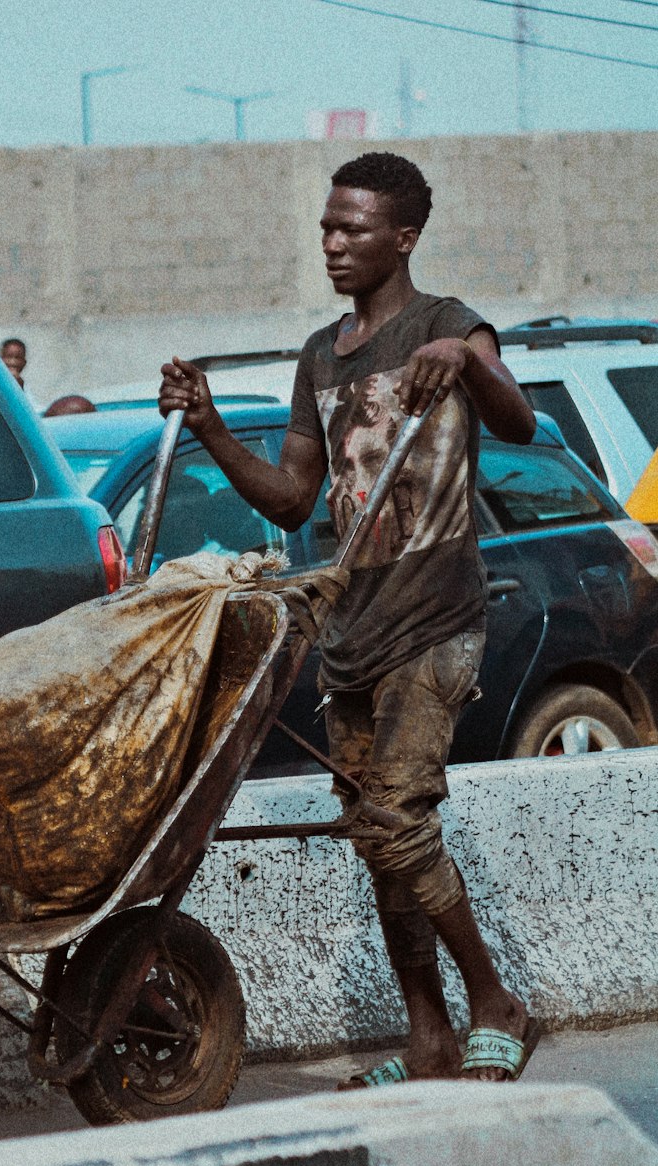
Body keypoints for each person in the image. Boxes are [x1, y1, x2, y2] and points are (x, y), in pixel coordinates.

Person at [159, 152, 539, 1086]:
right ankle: (429, 1039)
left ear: (402, 238)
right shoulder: (320, 356)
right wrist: (209, 425)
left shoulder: (448, 326)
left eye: (353, 228)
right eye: (327, 226)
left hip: (435, 618)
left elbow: (520, 418)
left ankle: (495, 1002)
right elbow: (292, 499)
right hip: (350, 631)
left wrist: (463, 362)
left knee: (399, 818)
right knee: (374, 839)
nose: (332, 243)